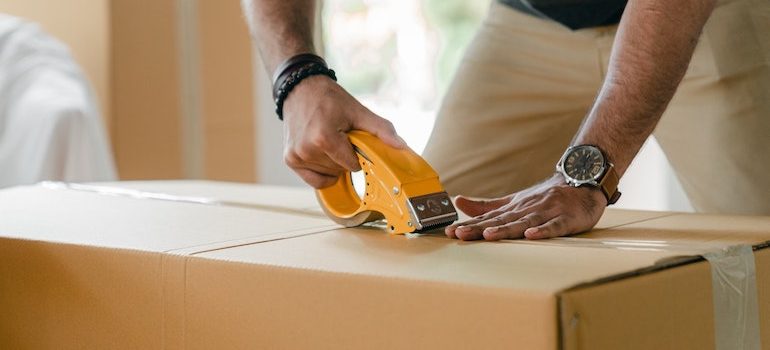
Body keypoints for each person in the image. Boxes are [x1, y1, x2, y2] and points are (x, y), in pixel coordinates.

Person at [242, 0, 770, 241]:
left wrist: (586, 177)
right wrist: (297, 77)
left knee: (758, 237)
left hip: (702, 18)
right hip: (529, 21)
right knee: (435, 230)